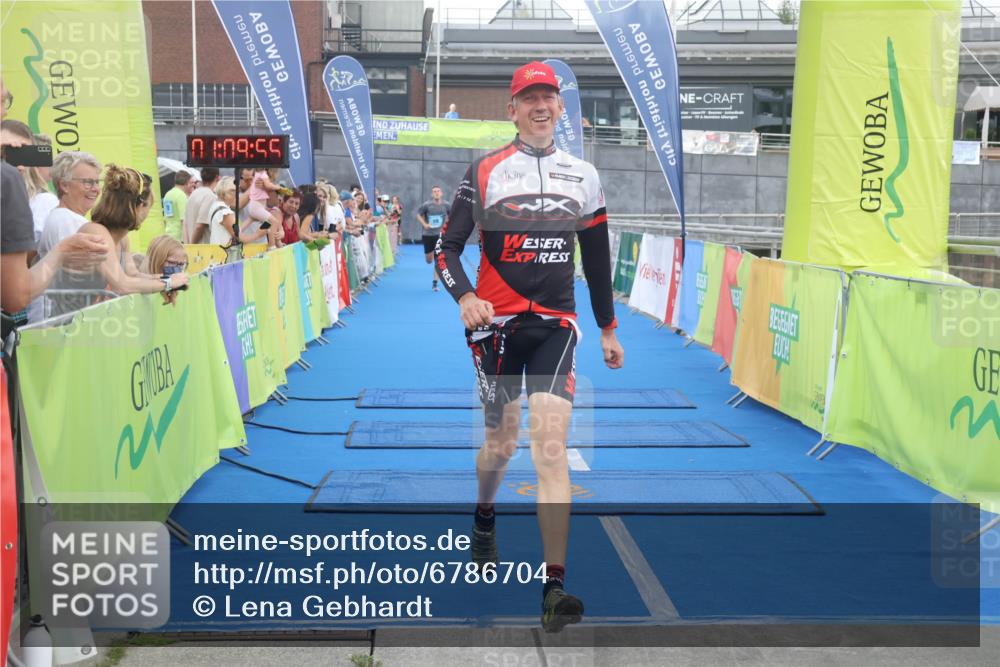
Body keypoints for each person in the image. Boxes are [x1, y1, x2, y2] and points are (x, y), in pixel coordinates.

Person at [435, 61, 624, 633]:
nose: (541, 105)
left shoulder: (584, 175)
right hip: (495, 329)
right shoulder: (485, 170)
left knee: (549, 448)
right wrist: (465, 297)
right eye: (529, 97)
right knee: (502, 442)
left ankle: (554, 588)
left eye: (549, 96)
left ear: (561, 107)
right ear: (511, 109)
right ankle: (485, 514)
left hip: (557, 327)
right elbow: (446, 248)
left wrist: (608, 327)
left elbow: (595, 257)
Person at [52, 165, 188, 316]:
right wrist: (168, 283)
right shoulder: (96, 233)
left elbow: (133, 275)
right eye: (149, 206)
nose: (148, 213)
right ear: (138, 206)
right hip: (65, 328)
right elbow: (122, 285)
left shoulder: (122, 239)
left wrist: (168, 278)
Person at [417, 186, 450, 291]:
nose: (436, 193)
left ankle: (435, 283)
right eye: (434, 191)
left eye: (438, 191)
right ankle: (430, 255)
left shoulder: (446, 205)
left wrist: (448, 226)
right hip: (428, 235)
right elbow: (418, 214)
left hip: (440, 235)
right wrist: (424, 224)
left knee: (438, 259)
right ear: (432, 194)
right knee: (429, 260)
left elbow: (452, 215)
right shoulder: (427, 205)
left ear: (441, 193)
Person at [183, 166, 221, 243]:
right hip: (203, 249)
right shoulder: (210, 196)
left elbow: (185, 224)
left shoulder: (193, 194)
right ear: (217, 177)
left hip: (192, 248)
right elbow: (200, 226)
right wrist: (192, 245)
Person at [162, 169, 195, 241]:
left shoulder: (168, 194)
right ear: (186, 182)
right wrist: (187, 243)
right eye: (190, 182)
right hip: (179, 238)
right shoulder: (181, 196)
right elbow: (184, 221)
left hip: (168, 236)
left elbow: (165, 219)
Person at [207, 177, 239, 246]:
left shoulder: (215, 206)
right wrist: (258, 234)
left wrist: (250, 220)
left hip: (216, 251)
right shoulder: (225, 212)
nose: (236, 195)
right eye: (234, 191)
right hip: (225, 253)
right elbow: (239, 237)